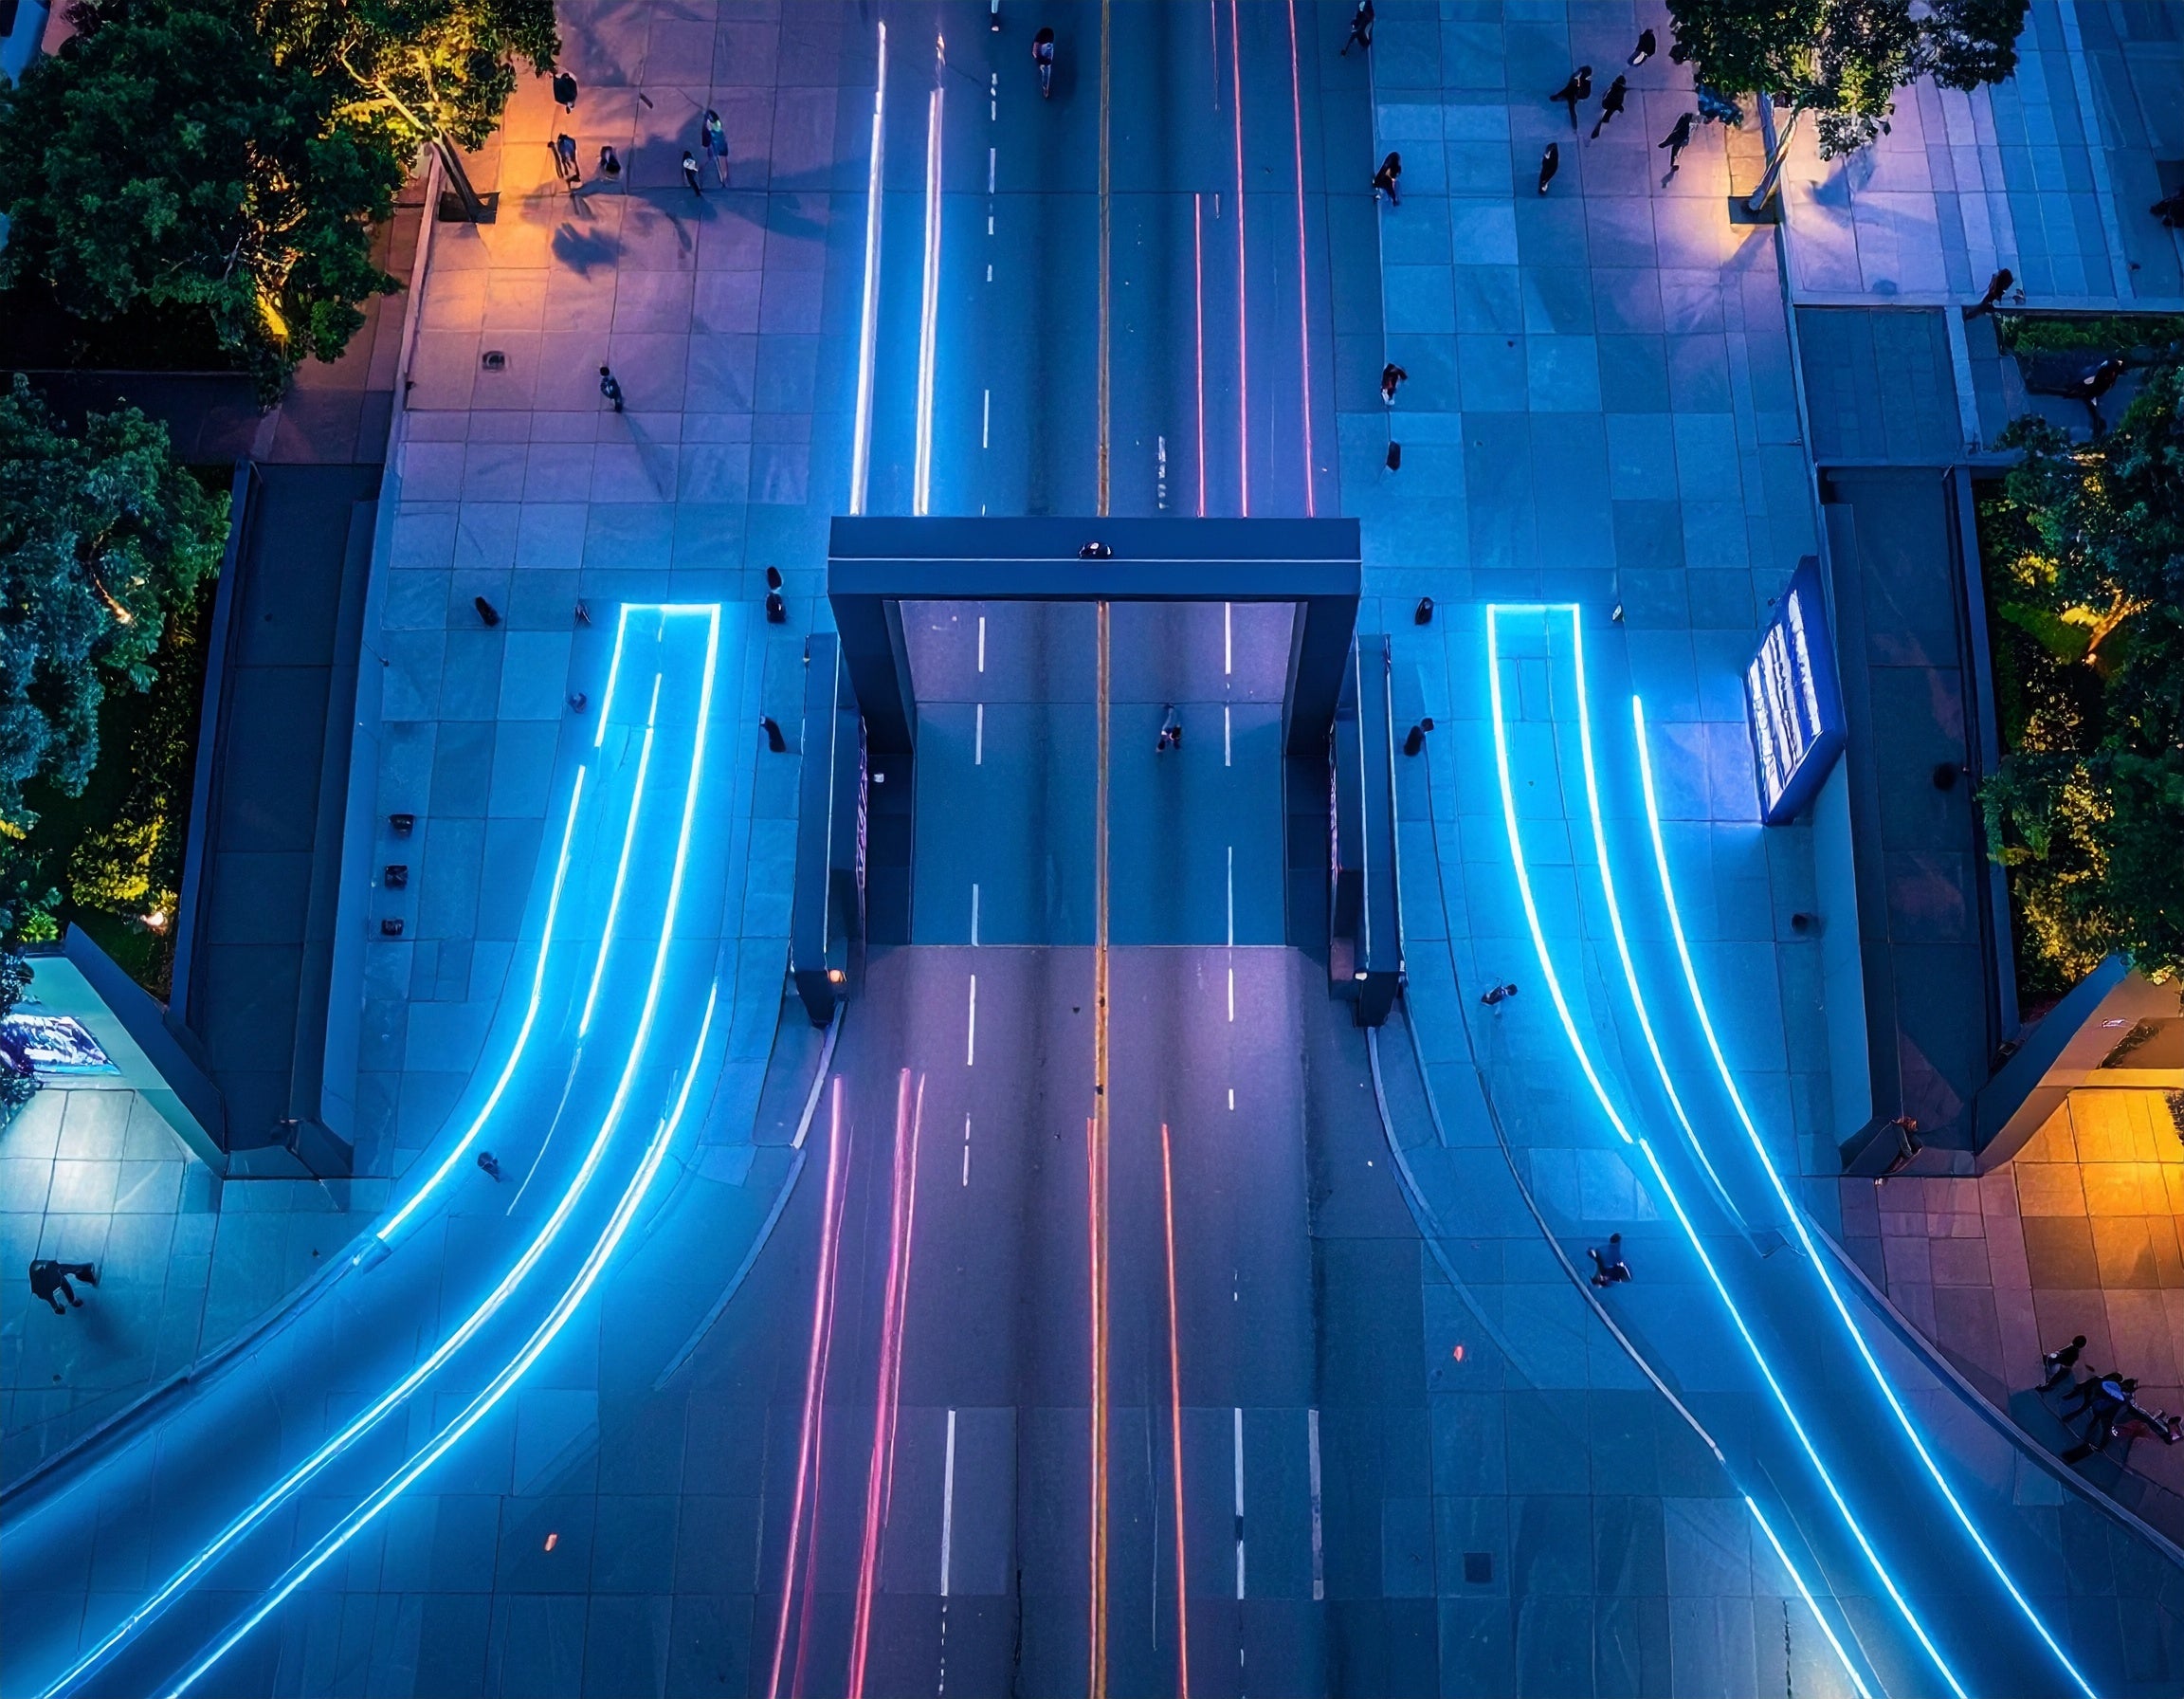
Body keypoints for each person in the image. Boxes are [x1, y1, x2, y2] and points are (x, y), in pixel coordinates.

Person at [29, 1260, 99, 1315]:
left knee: (59, 1274)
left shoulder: (43, 1288)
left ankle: (81, 1270)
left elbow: (53, 1302)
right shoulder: (42, 1289)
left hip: (48, 1273)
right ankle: (81, 1270)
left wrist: (57, 1308)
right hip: (48, 1275)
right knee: (60, 1275)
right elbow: (52, 1302)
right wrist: (57, 1308)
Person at [1659, 112, 1695, 180]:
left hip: (1680, 137)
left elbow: (1682, 128)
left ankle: (1672, 162)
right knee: (1675, 147)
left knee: (1675, 147)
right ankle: (1672, 162)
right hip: (1680, 137)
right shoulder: (1686, 121)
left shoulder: (1686, 121)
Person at [1591, 74, 1628, 139]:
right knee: (1606, 118)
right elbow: (1614, 100)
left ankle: (1598, 131)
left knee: (1606, 117)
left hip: (1608, 105)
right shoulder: (1617, 90)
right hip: (1610, 106)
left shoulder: (1615, 88)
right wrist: (1619, 107)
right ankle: (1598, 132)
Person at [701, 109, 730, 185]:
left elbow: (710, 132)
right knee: (721, 163)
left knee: (721, 163)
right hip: (719, 146)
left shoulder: (713, 126)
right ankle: (723, 180)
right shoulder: (717, 126)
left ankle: (723, 180)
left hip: (718, 146)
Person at [1033, 27, 1055, 98]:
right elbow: (1035, 51)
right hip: (1043, 46)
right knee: (1046, 67)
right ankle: (1045, 89)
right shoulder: (1040, 44)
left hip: (1044, 43)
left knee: (1046, 67)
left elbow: (1035, 50)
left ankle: (1045, 89)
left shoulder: (1043, 42)